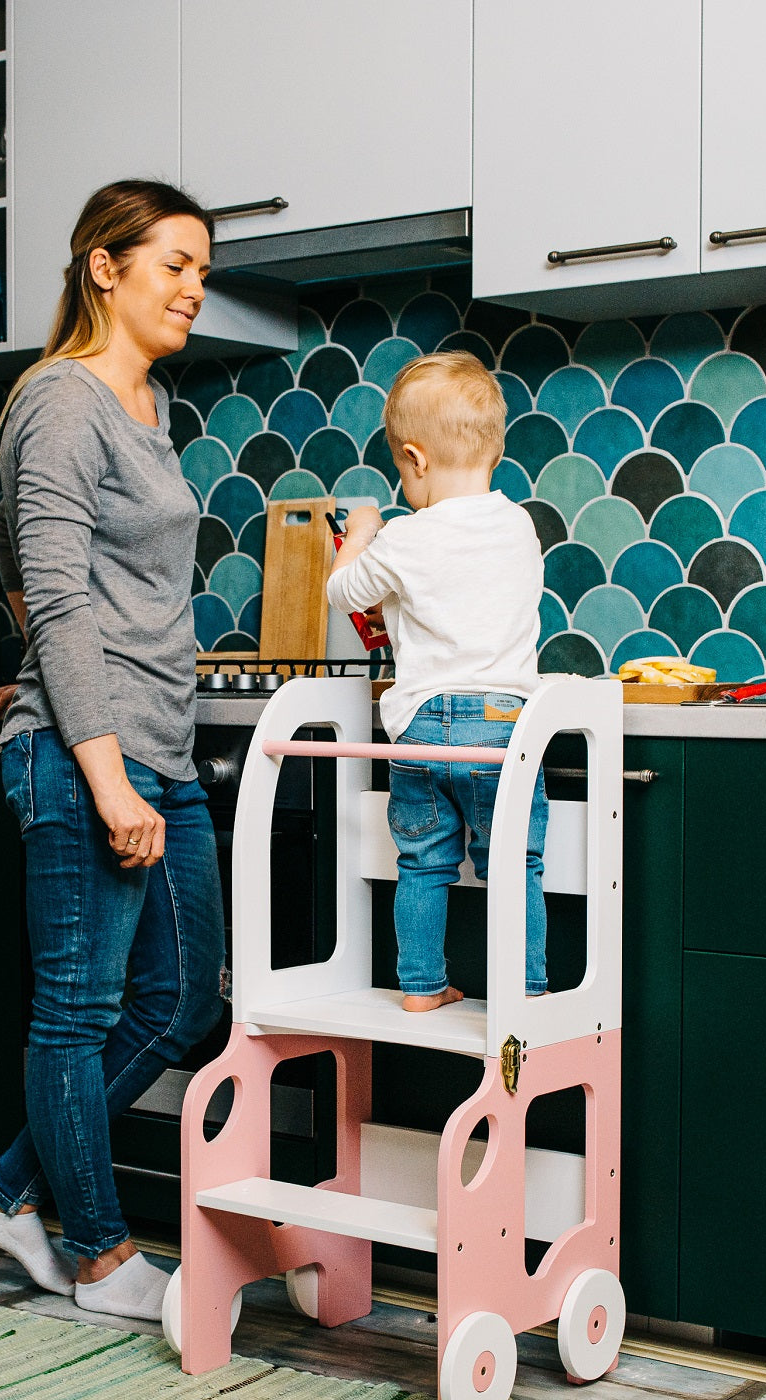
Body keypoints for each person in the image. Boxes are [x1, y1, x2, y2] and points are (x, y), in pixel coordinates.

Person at [0, 180, 226, 1321]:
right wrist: (101, 765)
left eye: (202, 271)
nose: (194, 290)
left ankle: (6, 1191)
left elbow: (42, 579)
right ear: (102, 268)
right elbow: (55, 595)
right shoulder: (61, 401)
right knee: (76, 1009)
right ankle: (105, 1257)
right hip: (87, 757)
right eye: (173, 264)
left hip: (154, 741)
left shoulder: (150, 405)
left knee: (184, 1002)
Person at [327, 351, 547, 1013]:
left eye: (400, 466)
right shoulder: (518, 524)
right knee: (514, 867)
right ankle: (524, 991)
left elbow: (343, 592)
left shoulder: (404, 537)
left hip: (422, 725)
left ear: (414, 459)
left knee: (422, 863)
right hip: (507, 726)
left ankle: (420, 987)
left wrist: (362, 533)